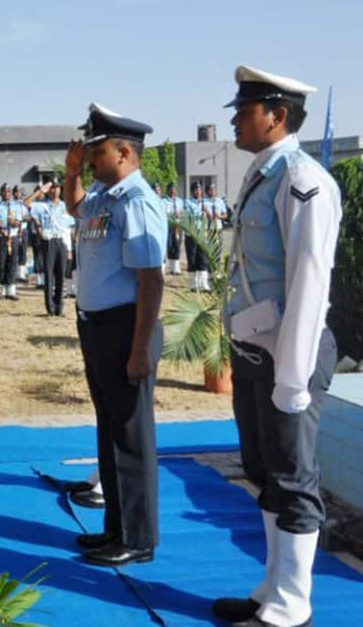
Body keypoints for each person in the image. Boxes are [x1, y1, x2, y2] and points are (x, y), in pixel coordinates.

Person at [211, 65, 341, 627]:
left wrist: (292, 377)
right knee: (264, 471)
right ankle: (273, 586)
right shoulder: (263, 173)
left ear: (278, 116)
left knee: (294, 477)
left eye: (245, 111)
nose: (237, 120)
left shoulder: (303, 179)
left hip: (292, 352)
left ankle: (293, 604)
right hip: (255, 348)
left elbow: (309, 279)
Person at [64, 103, 166, 567]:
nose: (90, 160)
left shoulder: (137, 202)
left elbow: (151, 280)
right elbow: (75, 207)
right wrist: (70, 173)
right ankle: (115, 528)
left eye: (96, 151)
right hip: (97, 326)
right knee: (109, 430)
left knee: (132, 436)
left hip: (127, 327)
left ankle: (138, 538)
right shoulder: (106, 198)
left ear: (124, 152)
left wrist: (141, 348)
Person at [29, 180, 74, 316]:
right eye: (52, 188)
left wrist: (69, 249)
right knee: (49, 275)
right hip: (48, 242)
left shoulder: (66, 207)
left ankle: (59, 308)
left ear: (61, 189)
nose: (55, 190)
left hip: (62, 242)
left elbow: (68, 230)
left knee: (61, 275)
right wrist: (40, 191)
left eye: (57, 188)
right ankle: (50, 308)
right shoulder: (42, 206)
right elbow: (26, 203)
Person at [0, 184, 20, 300]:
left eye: (8, 192)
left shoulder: (16, 206)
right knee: (2, 263)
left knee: (12, 263)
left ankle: (11, 291)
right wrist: (4, 233)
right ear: (0, 193)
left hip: (13, 236)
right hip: (1, 237)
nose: (6, 194)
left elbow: (18, 222)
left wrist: (12, 222)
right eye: (4, 191)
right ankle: (3, 291)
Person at [185, 181, 211, 291]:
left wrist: (207, 211)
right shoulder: (188, 202)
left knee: (203, 258)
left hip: (202, 233)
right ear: (192, 191)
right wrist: (199, 211)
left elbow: (210, 218)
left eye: (200, 190)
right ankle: (192, 284)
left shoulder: (204, 203)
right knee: (192, 258)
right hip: (191, 234)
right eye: (196, 190)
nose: (198, 192)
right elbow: (189, 217)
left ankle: (203, 283)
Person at [164, 182, 184, 274]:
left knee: (177, 245)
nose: (173, 191)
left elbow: (183, 213)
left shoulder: (180, 201)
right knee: (168, 245)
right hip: (168, 225)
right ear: (167, 191)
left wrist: (179, 214)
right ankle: (165, 267)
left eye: (174, 190)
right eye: (171, 190)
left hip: (178, 226)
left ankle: (175, 267)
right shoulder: (163, 201)